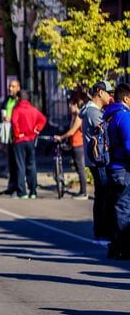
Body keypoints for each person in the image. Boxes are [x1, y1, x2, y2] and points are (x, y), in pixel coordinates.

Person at [82, 81, 115, 240]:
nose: (110, 96)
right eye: (109, 92)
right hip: (99, 159)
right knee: (104, 194)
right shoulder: (94, 113)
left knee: (101, 194)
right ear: (100, 92)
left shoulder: (90, 110)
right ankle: (102, 230)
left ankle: (100, 229)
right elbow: (108, 129)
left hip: (95, 159)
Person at [105, 83, 130, 258]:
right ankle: (125, 248)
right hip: (123, 168)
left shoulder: (109, 115)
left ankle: (115, 246)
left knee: (117, 208)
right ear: (127, 99)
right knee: (124, 209)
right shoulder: (124, 117)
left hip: (113, 168)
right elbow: (129, 147)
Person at [10, 90, 47, 199]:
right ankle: (33, 191)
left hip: (19, 140)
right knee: (31, 164)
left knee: (20, 165)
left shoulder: (17, 110)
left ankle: (22, 192)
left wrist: (17, 134)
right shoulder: (33, 109)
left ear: (18, 98)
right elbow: (43, 119)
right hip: (31, 139)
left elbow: (14, 122)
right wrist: (36, 129)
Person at [54, 90, 90, 200]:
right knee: (79, 169)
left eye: (72, 104)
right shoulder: (74, 117)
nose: (70, 106)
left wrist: (61, 137)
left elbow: (72, 131)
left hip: (79, 146)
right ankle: (81, 191)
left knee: (81, 169)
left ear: (76, 105)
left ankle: (84, 192)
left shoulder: (79, 117)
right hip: (74, 145)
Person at [0, 78, 22, 195]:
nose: (10, 89)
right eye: (9, 86)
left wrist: (11, 119)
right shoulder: (7, 100)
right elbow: (1, 115)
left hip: (18, 135)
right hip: (7, 133)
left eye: (13, 86)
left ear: (18, 88)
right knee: (10, 161)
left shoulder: (21, 102)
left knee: (18, 162)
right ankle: (11, 185)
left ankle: (19, 186)